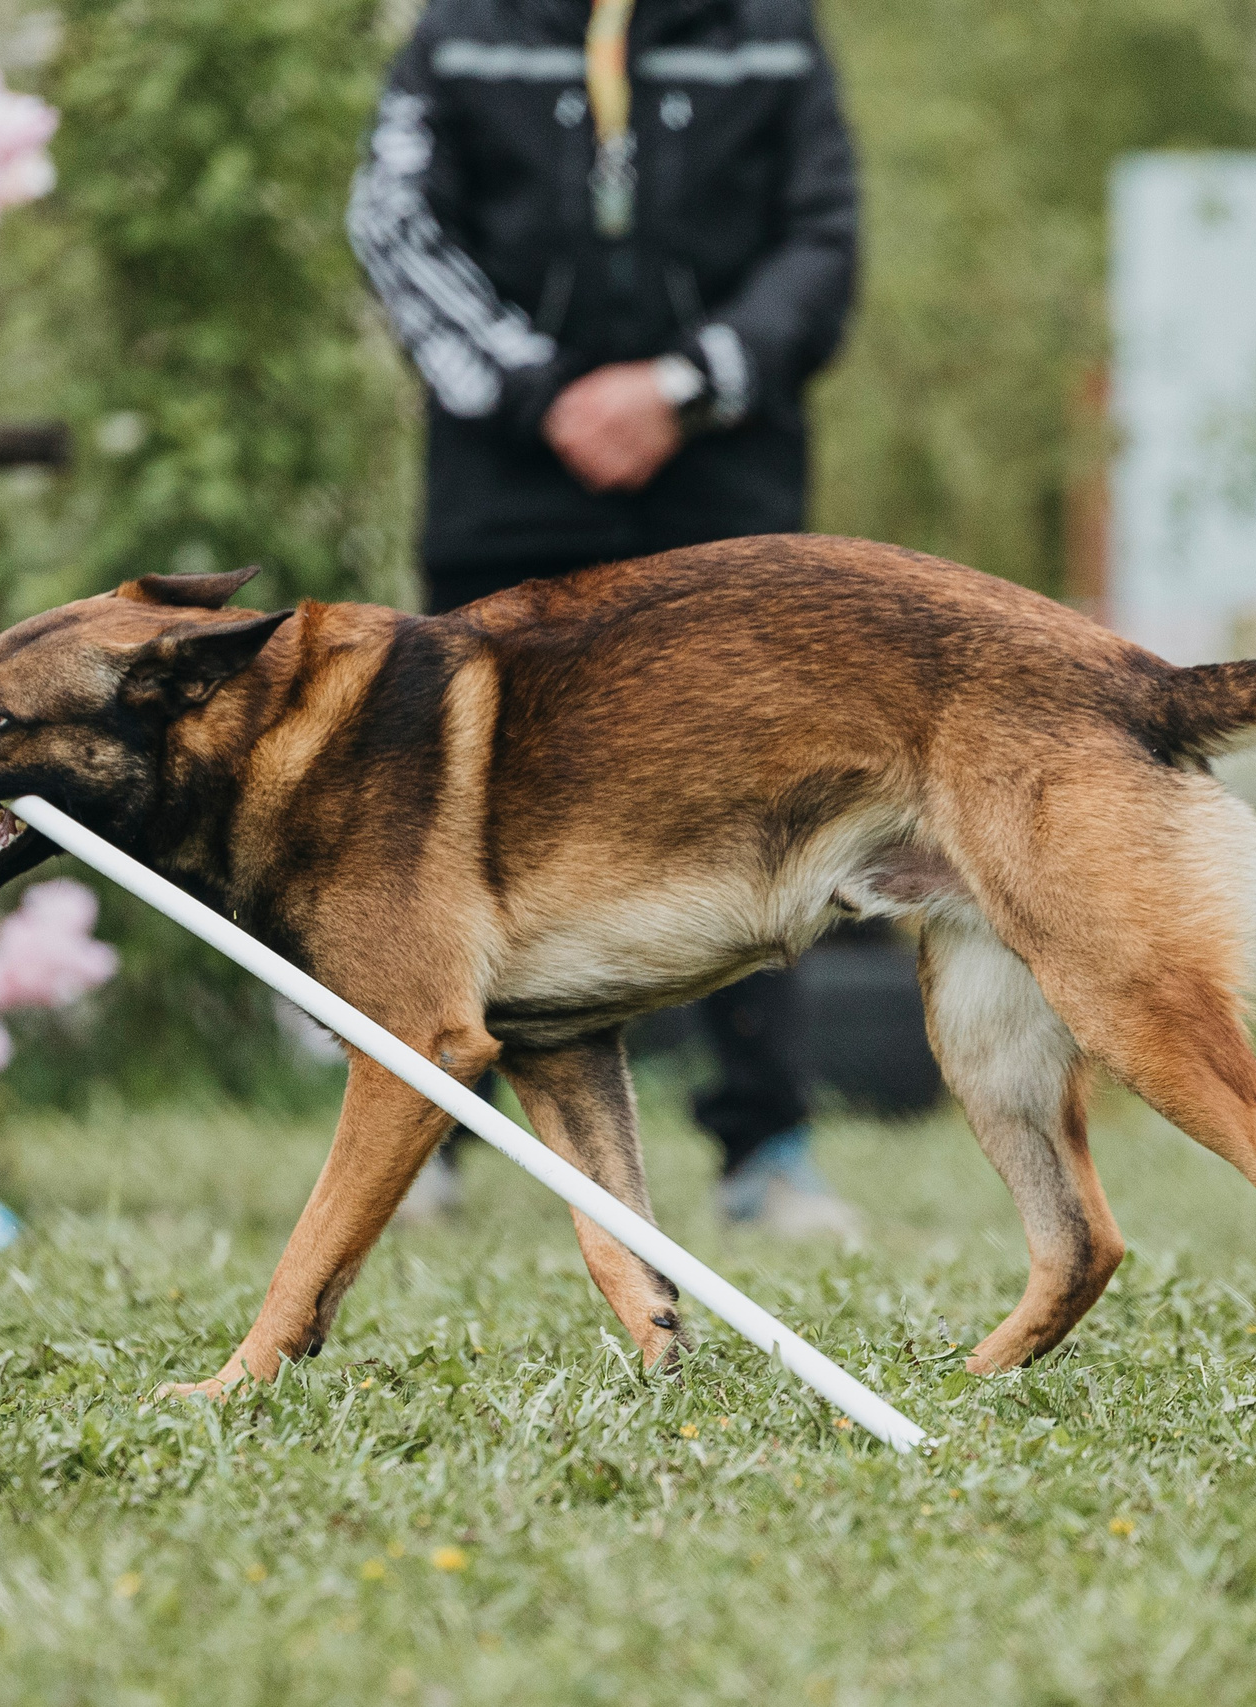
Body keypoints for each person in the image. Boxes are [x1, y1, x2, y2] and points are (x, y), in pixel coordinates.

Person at [348, 0, 862, 1236]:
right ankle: (428, 1139)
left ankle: (767, 1148)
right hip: (506, 484)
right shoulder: (456, 31)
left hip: (727, 480)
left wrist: (681, 389)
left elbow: (822, 245)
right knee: (446, 813)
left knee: (764, 795)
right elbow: (392, 226)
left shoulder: (774, 30)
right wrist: (542, 395)